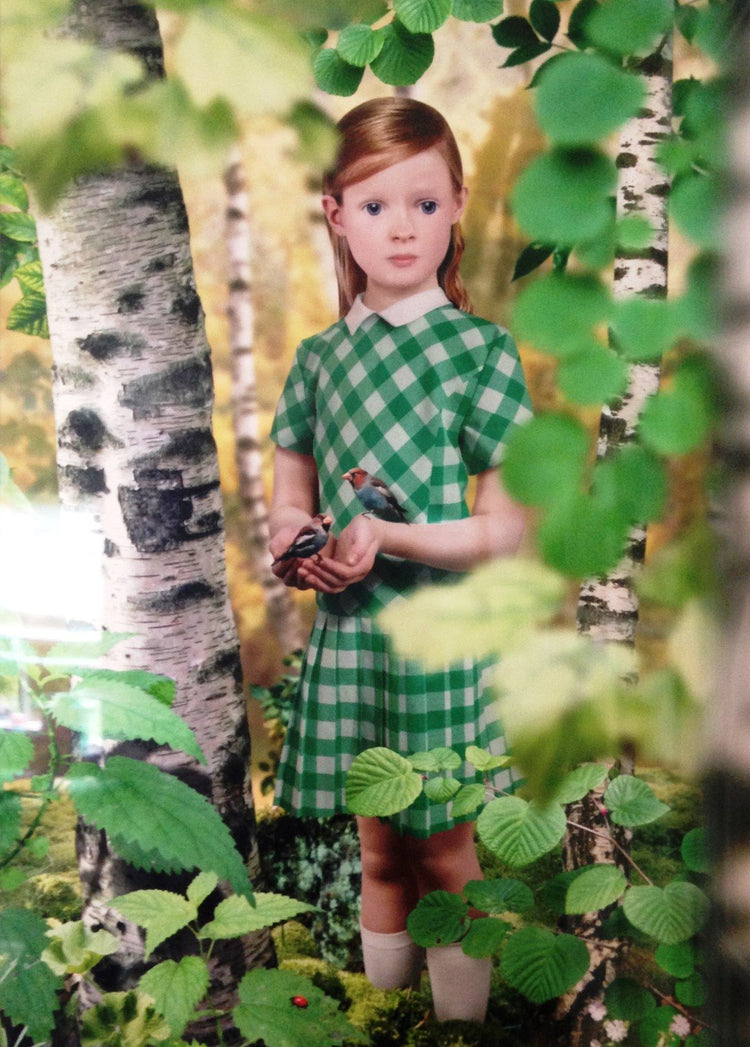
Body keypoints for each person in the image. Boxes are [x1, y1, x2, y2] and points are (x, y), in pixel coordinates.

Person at [268, 97, 532, 1023]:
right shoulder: (315, 361)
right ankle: (388, 1018)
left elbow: (505, 530)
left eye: (424, 203)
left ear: (459, 204)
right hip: (351, 635)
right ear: (336, 213)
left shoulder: (479, 353)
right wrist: (301, 549)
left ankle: (460, 1026)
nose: (403, 227)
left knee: (447, 855)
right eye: (375, 206)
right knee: (379, 851)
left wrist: (392, 536)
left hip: (436, 638)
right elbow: (288, 499)